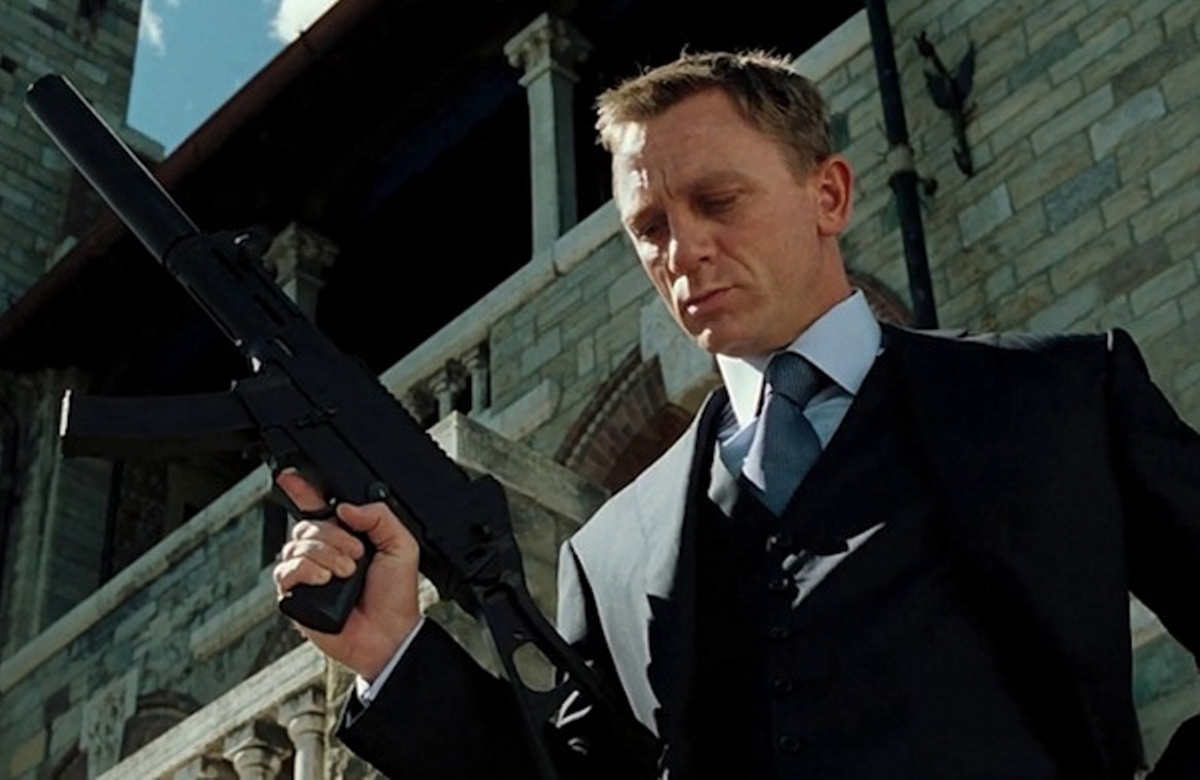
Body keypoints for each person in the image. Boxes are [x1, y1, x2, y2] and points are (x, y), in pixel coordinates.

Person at [273, 50, 1200, 779]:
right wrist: (393, 653)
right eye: (650, 227)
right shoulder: (611, 552)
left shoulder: (1063, 397)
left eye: (717, 201)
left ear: (828, 195)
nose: (683, 250)